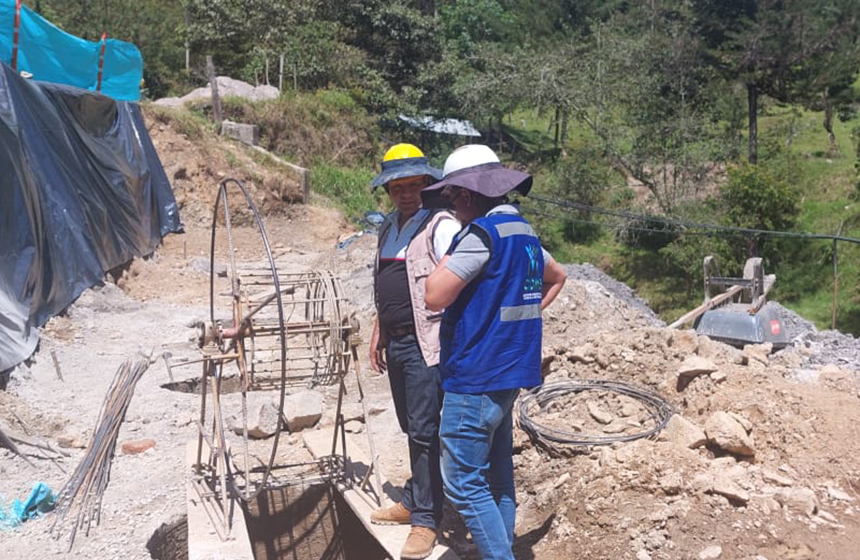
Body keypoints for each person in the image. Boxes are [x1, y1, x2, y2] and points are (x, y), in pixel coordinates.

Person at [423, 144, 567, 560]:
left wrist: (451, 248)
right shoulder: (523, 234)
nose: (450, 207)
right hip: (508, 375)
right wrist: (518, 321)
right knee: (498, 479)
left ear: (467, 195)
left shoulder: (480, 235)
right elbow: (557, 277)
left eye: (452, 199)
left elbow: (434, 295)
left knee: (463, 482)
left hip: (475, 377)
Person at [368, 143, 461, 560]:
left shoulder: (439, 226)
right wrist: (378, 332)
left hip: (428, 343)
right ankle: (415, 497)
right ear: (388, 190)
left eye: (415, 186)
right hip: (398, 340)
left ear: (428, 185)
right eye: (397, 187)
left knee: (425, 430)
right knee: (411, 427)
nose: (406, 194)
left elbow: (460, 280)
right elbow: (388, 283)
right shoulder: (389, 227)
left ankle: (426, 518)